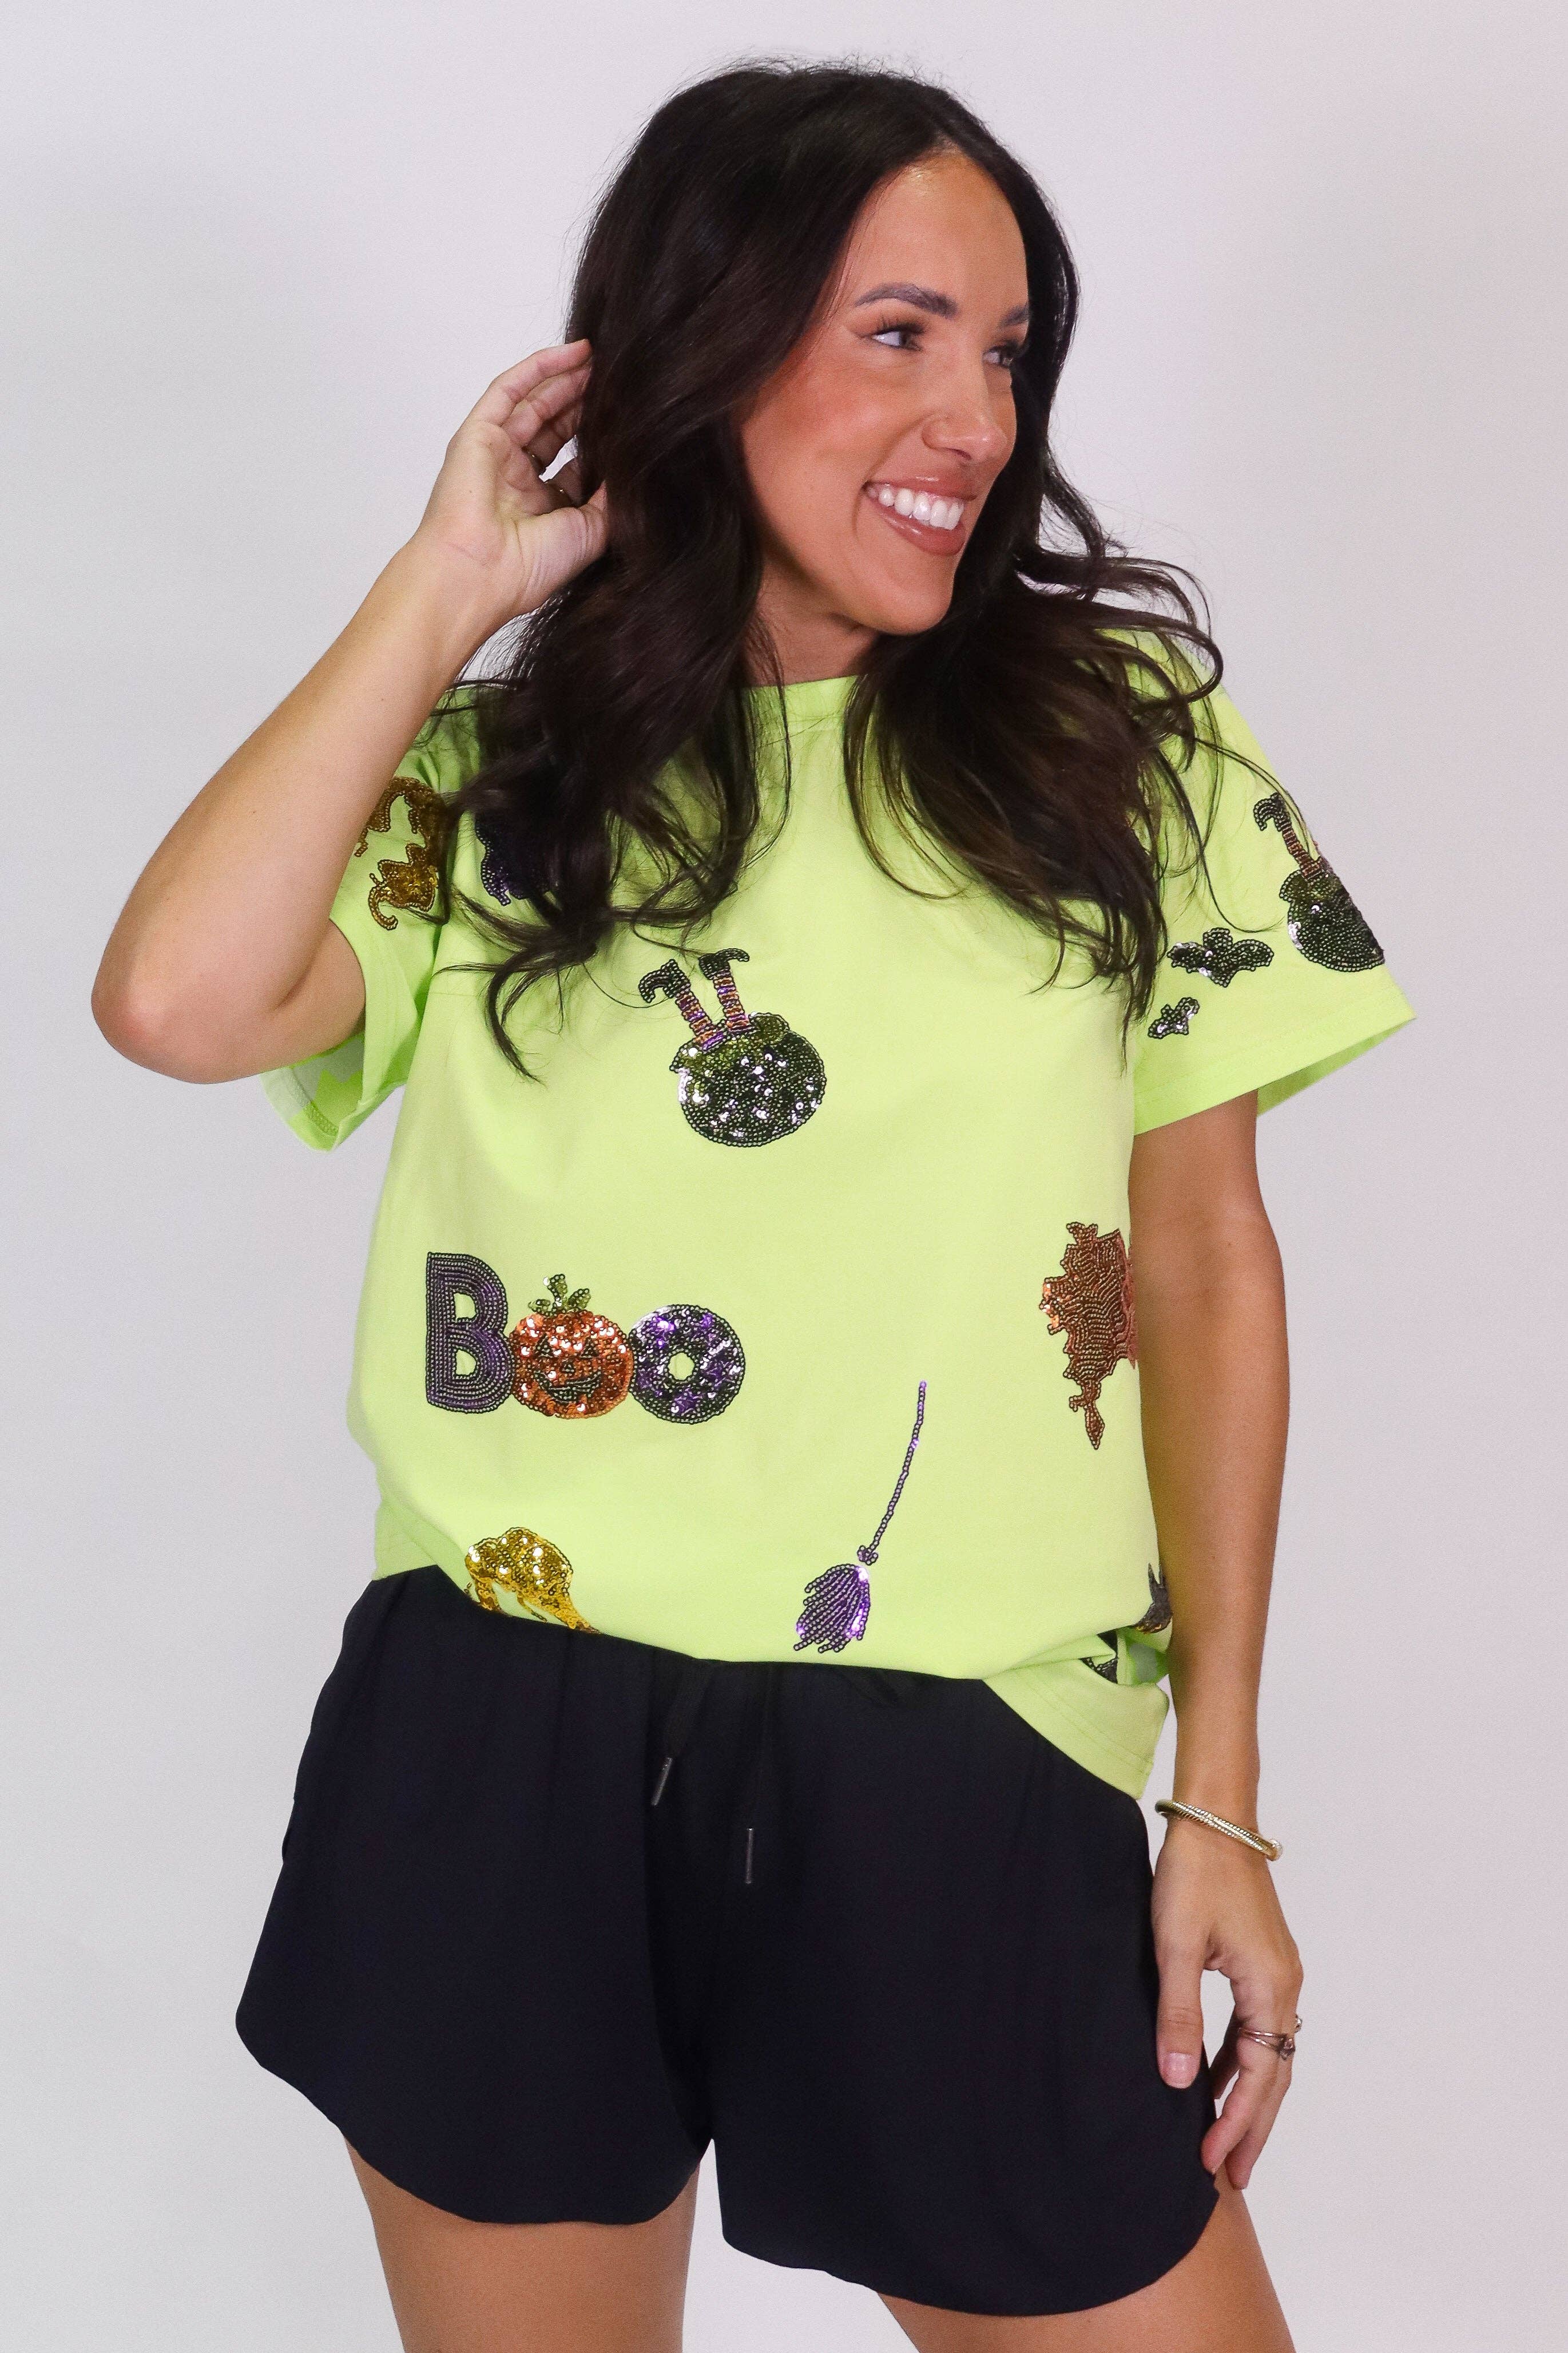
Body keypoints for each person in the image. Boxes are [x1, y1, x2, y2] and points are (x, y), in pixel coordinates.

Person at [92, 58, 1412, 2353]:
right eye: (899, 333)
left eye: (1004, 350)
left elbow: (1203, 1262)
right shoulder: (506, 790)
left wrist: (1219, 1797)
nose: (974, 419)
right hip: (499, 1726)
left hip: (955, 1747)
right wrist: (447, 584)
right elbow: (176, 999)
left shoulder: (1122, 752)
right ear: (708, 345)